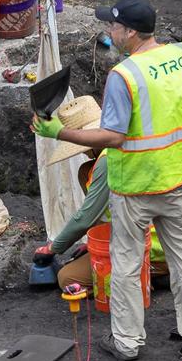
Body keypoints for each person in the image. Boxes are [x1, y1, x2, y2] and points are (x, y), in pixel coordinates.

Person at [33, 0, 182, 361]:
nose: (109, 32)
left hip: (136, 185)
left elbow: (113, 137)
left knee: (127, 264)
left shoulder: (124, 75)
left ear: (130, 32)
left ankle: (128, 341)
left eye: (113, 27)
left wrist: (59, 134)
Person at [34, 96, 166, 291]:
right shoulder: (123, 146)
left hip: (149, 246)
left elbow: (85, 217)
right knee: (85, 171)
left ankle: (142, 277)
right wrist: (93, 243)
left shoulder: (108, 161)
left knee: (67, 278)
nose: (82, 152)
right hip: (145, 236)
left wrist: (52, 248)